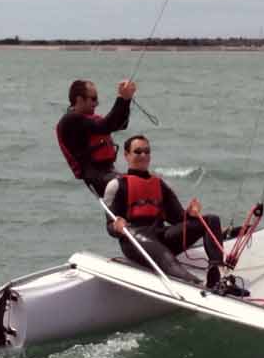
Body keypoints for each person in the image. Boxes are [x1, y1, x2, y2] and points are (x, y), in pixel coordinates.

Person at [104, 134, 228, 290]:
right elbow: (109, 226)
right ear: (126, 155)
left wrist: (190, 214)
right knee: (164, 256)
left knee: (211, 220)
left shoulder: (159, 184)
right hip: (134, 240)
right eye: (138, 151)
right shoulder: (116, 186)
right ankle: (196, 285)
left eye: (147, 151)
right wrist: (116, 226)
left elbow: (178, 219)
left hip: (161, 236)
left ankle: (215, 271)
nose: (143, 155)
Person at [56, 77, 136, 196]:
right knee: (131, 186)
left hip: (108, 172)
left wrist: (126, 100)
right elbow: (106, 126)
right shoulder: (70, 121)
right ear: (79, 100)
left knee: (144, 180)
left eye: (96, 99)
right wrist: (121, 98)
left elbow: (120, 124)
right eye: (93, 99)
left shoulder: (86, 119)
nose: (97, 103)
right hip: (95, 175)